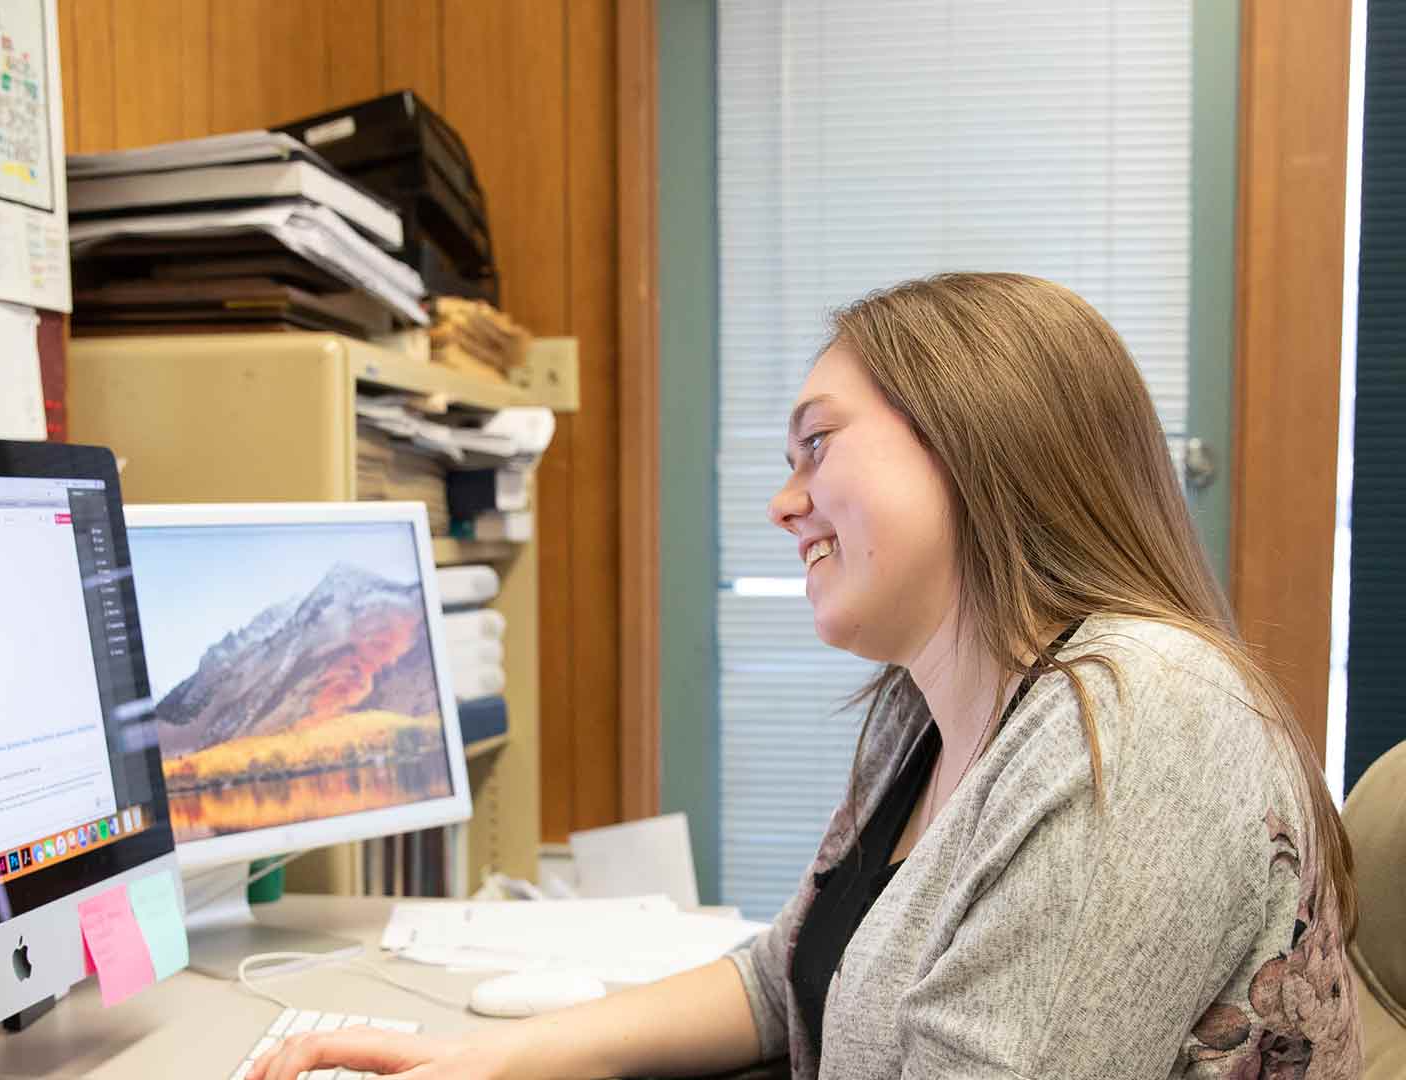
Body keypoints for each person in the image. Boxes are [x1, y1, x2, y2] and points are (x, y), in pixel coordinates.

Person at [252, 273, 1361, 1080]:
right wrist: (493, 1060)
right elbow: (784, 978)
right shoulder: (924, 713)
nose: (784, 504)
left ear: (978, 435)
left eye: (817, 445)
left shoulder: (1143, 721)